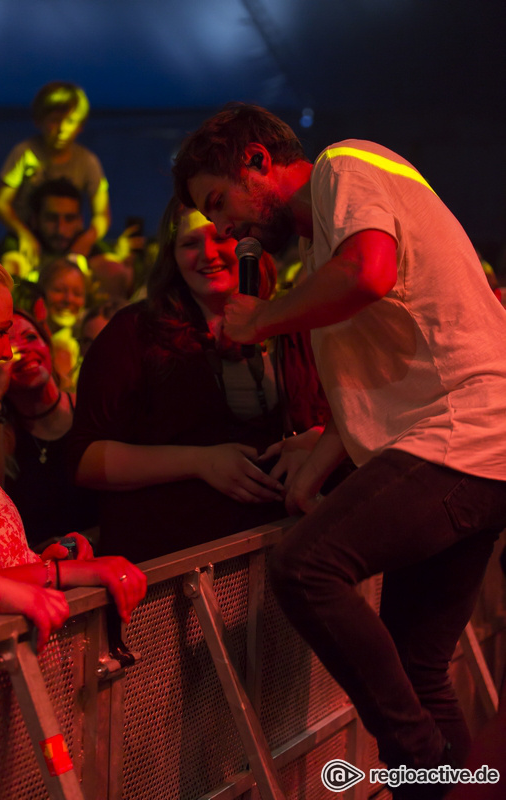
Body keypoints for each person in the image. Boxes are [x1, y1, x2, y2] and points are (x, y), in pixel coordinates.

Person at [172, 103, 506, 798]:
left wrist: (260, 318)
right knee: (418, 667)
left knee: (305, 566)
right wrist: (325, 450)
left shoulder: (343, 164)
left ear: (257, 160)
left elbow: (369, 274)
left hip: (463, 435)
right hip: (474, 445)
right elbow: (398, 346)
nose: (225, 227)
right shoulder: (326, 244)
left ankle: (416, 763)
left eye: (218, 201)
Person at [69, 197, 329, 562]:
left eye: (219, 238)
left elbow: (355, 422)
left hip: (285, 553)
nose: (207, 254)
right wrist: (199, 462)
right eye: (190, 243)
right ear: (171, 257)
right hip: (171, 564)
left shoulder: (295, 320)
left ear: (248, 241)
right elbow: (84, 458)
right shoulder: (135, 332)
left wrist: (315, 443)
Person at [0, 250, 146, 647]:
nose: (8, 353)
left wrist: (42, 563)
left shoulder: (88, 412)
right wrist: (47, 578)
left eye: (27, 337)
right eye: (2, 332)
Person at [0, 309, 98, 550]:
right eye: (9, 345)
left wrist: (78, 543)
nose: (23, 349)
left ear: (47, 345)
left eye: (30, 338)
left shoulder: (89, 408)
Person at [0, 82, 110, 269]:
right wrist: (24, 234)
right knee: (11, 268)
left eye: (70, 121)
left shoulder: (88, 161)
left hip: (70, 239)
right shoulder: (24, 153)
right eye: (55, 120)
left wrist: (87, 240)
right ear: (39, 120)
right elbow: (1, 203)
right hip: (29, 235)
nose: (62, 128)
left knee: (111, 270)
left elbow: (102, 214)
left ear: (80, 125)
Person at [37, 257, 88, 390]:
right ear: (41, 292)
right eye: (58, 290)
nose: (68, 299)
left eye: (77, 293)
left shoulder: (84, 347)